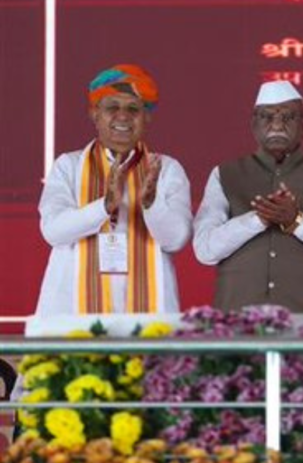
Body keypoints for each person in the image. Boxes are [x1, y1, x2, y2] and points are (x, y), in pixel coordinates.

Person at [35, 63, 192, 315]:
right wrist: (104, 207)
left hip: (150, 317)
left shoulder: (166, 169)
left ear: (147, 116)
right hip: (72, 311)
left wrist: (151, 204)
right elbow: (53, 232)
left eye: (134, 109)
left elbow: (176, 240)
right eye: (112, 108)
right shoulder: (69, 165)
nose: (123, 116)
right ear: (94, 113)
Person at [193, 80, 303, 311]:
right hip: (237, 325)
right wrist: (257, 220)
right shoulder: (224, 174)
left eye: (288, 117)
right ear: (253, 124)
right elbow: (205, 250)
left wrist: (297, 222)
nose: (277, 125)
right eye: (267, 117)